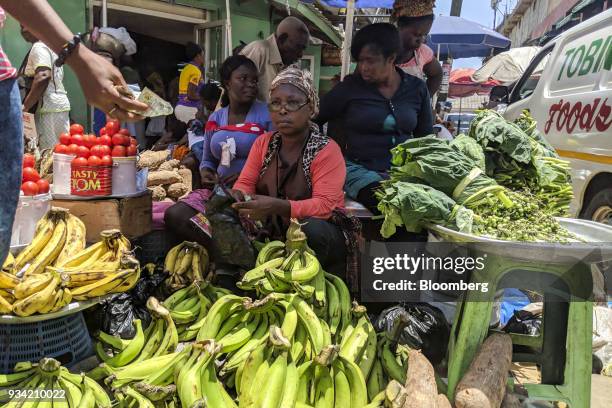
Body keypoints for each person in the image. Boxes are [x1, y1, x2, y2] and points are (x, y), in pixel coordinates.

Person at [0, 0, 147, 268]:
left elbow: (42, 76)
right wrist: (79, 57)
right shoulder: (43, 48)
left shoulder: (38, 49)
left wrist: (79, 58)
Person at [230, 68, 359, 281]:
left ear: (310, 108)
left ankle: (305, 283)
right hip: (273, 228)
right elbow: (245, 181)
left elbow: (325, 206)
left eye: (292, 103)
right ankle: (236, 282)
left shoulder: (325, 149)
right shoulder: (264, 143)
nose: (283, 110)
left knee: (309, 229)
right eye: (276, 103)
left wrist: (278, 206)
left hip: (321, 233)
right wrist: (240, 196)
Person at [317, 23, 433, 215]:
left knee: (422, 209)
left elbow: (426, 139)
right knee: (392, 205)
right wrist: (324, 157)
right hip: (359, 172)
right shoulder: (350, 88)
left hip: (405, 174)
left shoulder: (417, 89)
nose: (363, 68)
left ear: (391, 58)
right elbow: (315, 117)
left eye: (370, 61)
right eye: (360, 61)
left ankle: (409, 246)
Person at [164, 55, 272, 246]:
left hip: (253, 196)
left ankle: (235, 248)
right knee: (176, 214)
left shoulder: (267, 115)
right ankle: (229, 247)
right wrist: (206, 172)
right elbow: (207, 160)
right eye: (243, 78)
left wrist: (244, 175)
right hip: (219, 193)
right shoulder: (217, 118)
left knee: (227, 221)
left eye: (254, 80)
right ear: (227, 83)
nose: (251, 85)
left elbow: (277, 159)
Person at [19, 25, 70, 151]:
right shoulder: (51, 47)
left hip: (46, 108)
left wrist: (25, 107)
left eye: (24, 26)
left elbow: (43, 76)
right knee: (61, 152)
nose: (22, 31)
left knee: (48, 154)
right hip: (58, 106)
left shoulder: (39, 46)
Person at [240, 16, 310, 102]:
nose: (300, 55)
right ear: (282, 40)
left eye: (303, 49)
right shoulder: (259, 51)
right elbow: (238, 93)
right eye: (298, 47)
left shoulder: (288, 65)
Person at [392, 0, 442, 96]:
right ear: (400, 26)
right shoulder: (382, 48)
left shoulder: (422, 52)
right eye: (418, 35)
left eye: (425, 35)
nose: (422, 40)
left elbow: (437, 74)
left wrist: (425, 101)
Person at [174, 42, 204, 124]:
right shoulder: (195, 71)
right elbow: (191, 94)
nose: (203, 58)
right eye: (202, 55)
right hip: (189, 109)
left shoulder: (186, 69)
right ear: (198, 56)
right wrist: (205, 99)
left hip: (181, 106)